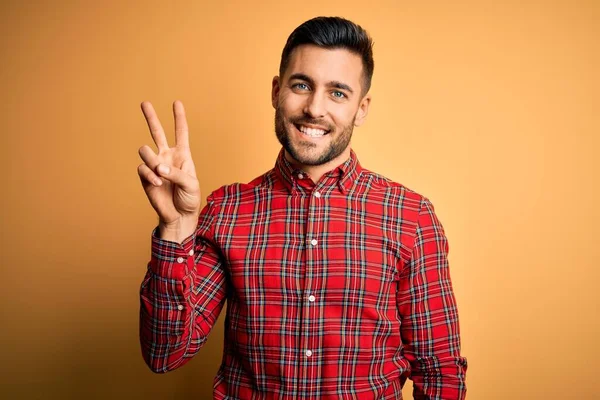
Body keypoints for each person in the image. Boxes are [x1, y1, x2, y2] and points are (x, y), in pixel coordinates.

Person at [137, 16, 467, 400]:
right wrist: (176, 228)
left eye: (338, 93)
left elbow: (439, 372)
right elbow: (165, 353)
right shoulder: (226, 209)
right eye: (301, 85)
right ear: (277, 91)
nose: (314, 108)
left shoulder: (410, 217)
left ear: (361, 109)